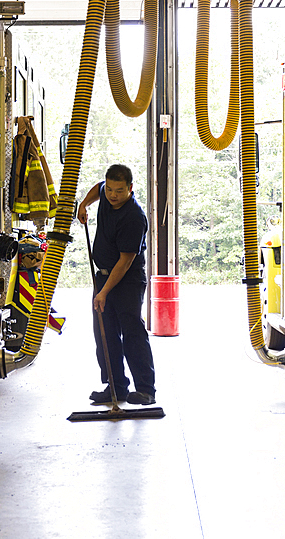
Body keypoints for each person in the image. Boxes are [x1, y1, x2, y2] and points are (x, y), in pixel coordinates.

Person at [77, 164, 156, 406]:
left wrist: (103, 293)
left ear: (130, 188)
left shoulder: (134, 217)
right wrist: (84, 205)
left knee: (132, 332)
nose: (112, 195)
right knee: (105, 334)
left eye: (119, 191)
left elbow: (125, 261)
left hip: (127, 281)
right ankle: (116, 386)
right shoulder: (105, 192)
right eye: (110, 189)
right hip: (103, 277)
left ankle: (145, 390)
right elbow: (98, 189)